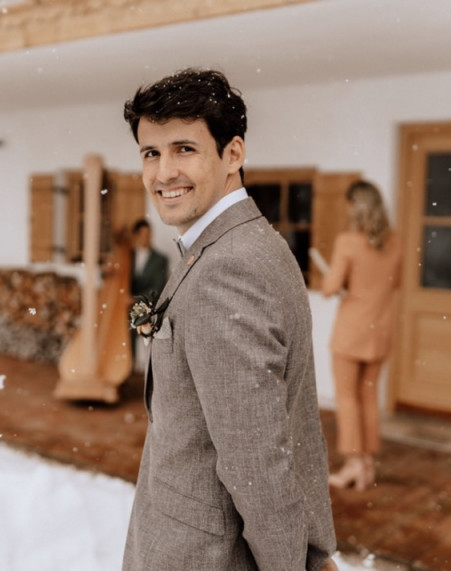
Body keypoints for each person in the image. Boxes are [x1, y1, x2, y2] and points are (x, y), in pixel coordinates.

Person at [122, 68, 337, 570]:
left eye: (184, 149)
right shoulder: (242, 242)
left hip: (205, 554)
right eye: (151, 153)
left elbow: (255, 460)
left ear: (233, 154)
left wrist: (290, 563)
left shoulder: (228, 267)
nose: (163, 172)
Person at [321, 180, 402, 491]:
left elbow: (330, 287)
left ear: (355, 206)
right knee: (368, 396)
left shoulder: (348, 242)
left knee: (347, 398)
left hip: (351, 332)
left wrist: (339, 281)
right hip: (380, 331)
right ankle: (367, 464)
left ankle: (354, 464)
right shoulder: (395, 242)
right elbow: (394, 283)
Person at [130, 218, 168, 304]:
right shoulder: (129, 256)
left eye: (148, 234)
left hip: (147, 305)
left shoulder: (160, 259)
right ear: (136, 235)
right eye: (143, 234)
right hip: (125, 305)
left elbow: (157, 289)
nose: (147, 238)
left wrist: (134, 299)